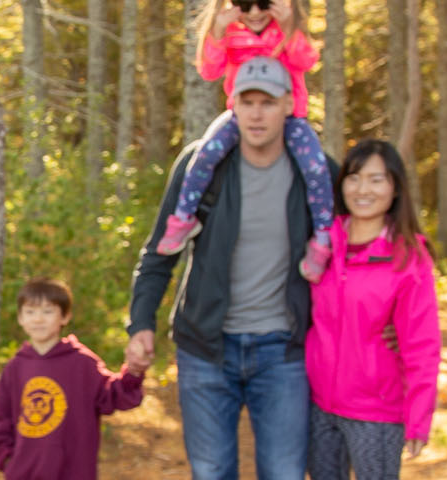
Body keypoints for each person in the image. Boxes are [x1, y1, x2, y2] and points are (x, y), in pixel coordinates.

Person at [126, 56, 335, 480]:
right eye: (248, 101)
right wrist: (141, 322)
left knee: (285, 472)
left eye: (268, 102)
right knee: (211, 471)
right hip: (205, 349)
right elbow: (159, 252)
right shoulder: (200, 167)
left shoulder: (315, 173)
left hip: (284, 351)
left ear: (288, 106)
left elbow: (352, 257)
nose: (257, 113)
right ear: (233, 105)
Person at [156, 0, 334, 289]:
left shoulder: (284, 30)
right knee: (205, 154)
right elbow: (209, 70)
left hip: (291, 117)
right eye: (244, 3)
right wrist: (217, 30)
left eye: (262, 3)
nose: (253, 12)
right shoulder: (231, 34)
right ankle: (183, 217)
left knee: (316, 170)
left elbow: (307, 60)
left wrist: (289, 27)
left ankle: (323, 238)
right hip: (240, 116)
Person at [304, 140, 441, 480]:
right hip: (317, 403)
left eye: (377, 179)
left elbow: (423, 343)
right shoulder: (322, 243)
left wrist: (418, 417)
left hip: (376, 411)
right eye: (354, 177)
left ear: (395, 188)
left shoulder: (408, 257)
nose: (363, 189)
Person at [0, 279, 152, 479]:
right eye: (30, 312)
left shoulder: (82, 363)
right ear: (20, 318)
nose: (38, 319)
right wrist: (8, 459)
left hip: (73, 471)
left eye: (48, 311)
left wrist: (133, 373)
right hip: (24, 472)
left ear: (65, 316)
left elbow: (114, 395)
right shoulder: (15, 368)